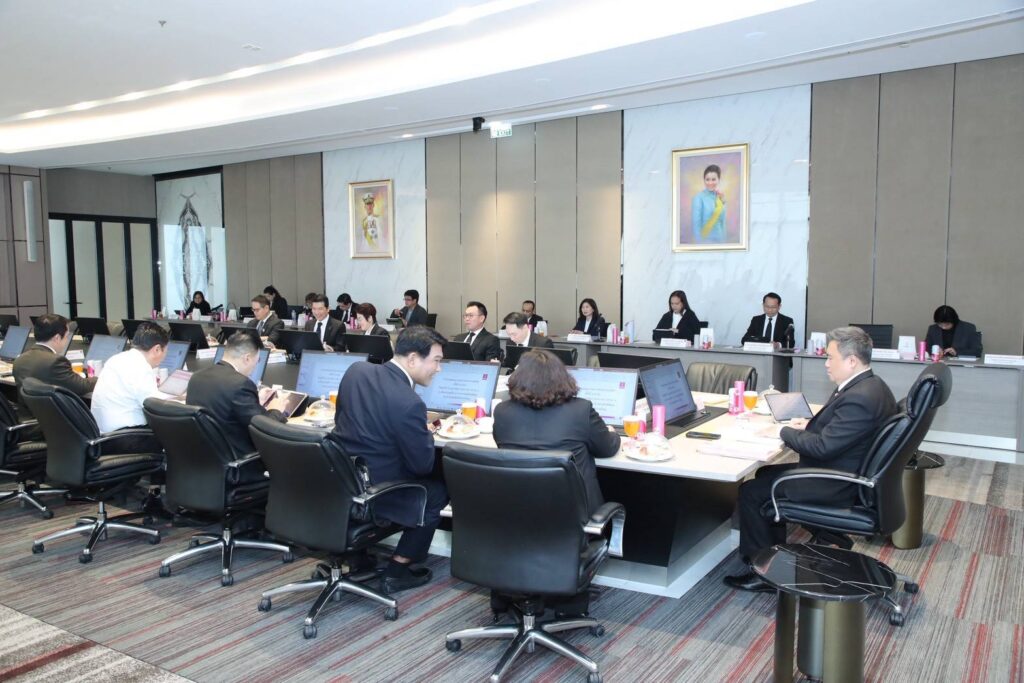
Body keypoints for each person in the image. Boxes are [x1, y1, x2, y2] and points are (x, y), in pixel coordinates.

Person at [724, 327, 897, 592]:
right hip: (848, 469)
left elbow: (823, 448)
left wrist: (783, 431)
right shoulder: (872, 386)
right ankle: (796, 546)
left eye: (830, 357)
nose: (826, 363)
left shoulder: (860, 398)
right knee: (764, 474)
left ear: (851, 361)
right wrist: (807, 426)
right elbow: (839, 433)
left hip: (836, 482)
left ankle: (762, 572)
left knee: (751, 492)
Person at [492, 348, 620, 616]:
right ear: (563, 377)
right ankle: (566, 604)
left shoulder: (503, 412)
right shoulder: (581, 410)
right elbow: (607, 448)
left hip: (513, 512)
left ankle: (514, 594)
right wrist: (610, 432)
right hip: (573, 514)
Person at [330, 326, 450, 594]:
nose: (438, 369)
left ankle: (358, 559)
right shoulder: (410, 403)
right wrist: (426, 434)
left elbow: (342, 422)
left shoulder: (356, 371)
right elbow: (421, 466)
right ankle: (398, 569)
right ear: (413, 359)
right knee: (438, 489)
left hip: (344, 481)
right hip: (379, 490)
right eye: (436, 361)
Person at [186, 332, 287, 455]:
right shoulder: (241, 384)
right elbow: (265, 430)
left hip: (204, 457)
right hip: (238, 460)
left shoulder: (196, 377)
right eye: (258, 360)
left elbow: (228, 407)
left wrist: (255, 401)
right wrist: (276, 410)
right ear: (247, 358)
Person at [90, 323, 168, 449]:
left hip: (102, 436)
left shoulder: (117, 359)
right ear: (157, 349)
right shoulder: (141, 367)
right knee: (177, 435)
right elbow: (155, 407)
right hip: (124, 439)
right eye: (166, 351)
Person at [13, 314, 96, 416]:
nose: (66, 341)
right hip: (51, 420)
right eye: (66, 336)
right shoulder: (55, 361)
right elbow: (82, 386)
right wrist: (101, 378)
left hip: (29, 415)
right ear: (57, 338)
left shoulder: (20, 359)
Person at [691, 164, 726, 243]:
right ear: (704, 180)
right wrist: (700, 244)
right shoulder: (699, 198)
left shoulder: (720, 197)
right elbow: (696, 226)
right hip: (706, 241)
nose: (710, 183)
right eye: (707, 179)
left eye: (713, 179)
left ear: (719, 180)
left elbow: (723, 222)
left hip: (721, 241)